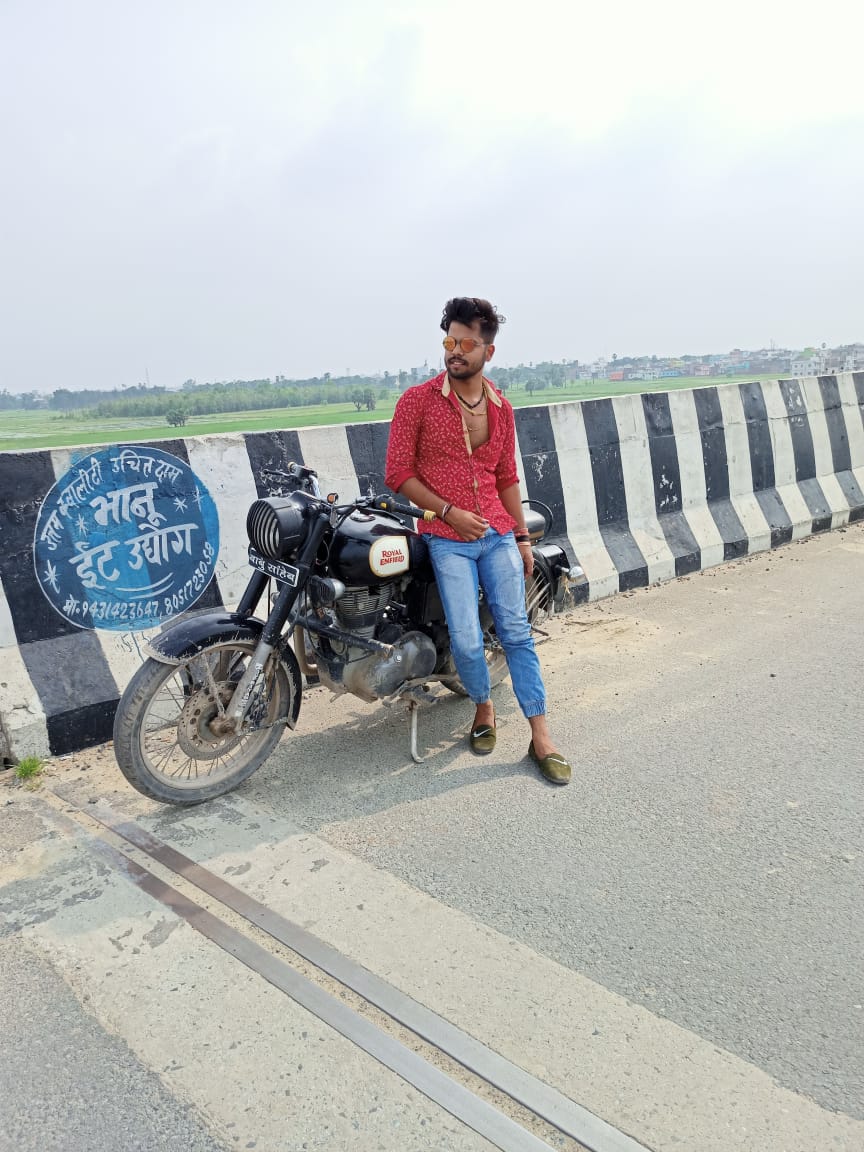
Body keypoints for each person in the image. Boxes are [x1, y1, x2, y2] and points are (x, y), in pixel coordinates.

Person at [385, 296, 571, 785]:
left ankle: (541, 736)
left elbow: (506, 476)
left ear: (488, 351)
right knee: (467, 641)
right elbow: (398, 473)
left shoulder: (501, 408)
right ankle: (483, 707)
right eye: (450, 341)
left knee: (516, 633)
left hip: (497, 534)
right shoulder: (417, 402)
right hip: (446, 537)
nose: (455, 351)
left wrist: (522, 538)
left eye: (467, 344)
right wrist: (448, 512)